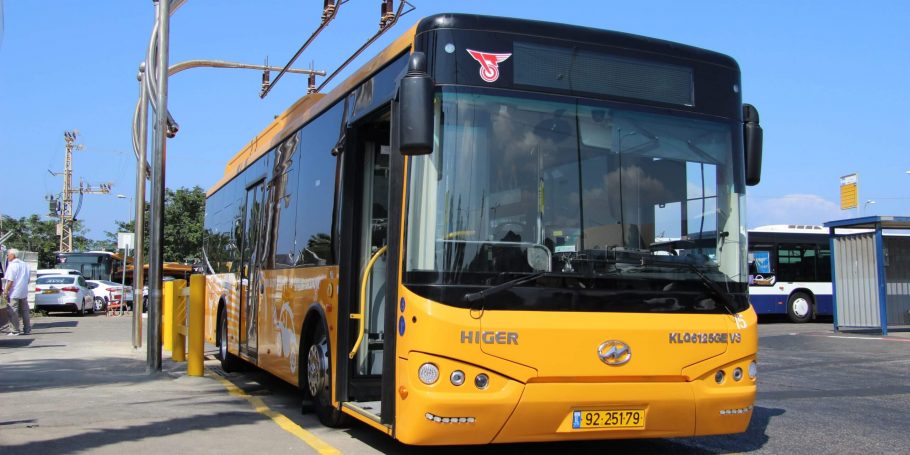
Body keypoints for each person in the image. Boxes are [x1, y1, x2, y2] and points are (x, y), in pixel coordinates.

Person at [3, 248, 31, 336]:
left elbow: (10, 281)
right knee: (25, 310)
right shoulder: (25, 265)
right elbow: (28, 279)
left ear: (13, 255)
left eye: (8, 255)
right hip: (23, 291)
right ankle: (27, 329)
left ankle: (15, 330)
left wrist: (6, 291)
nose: (7, 256)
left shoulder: (12, 265)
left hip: (14, 291)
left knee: (13, 311)